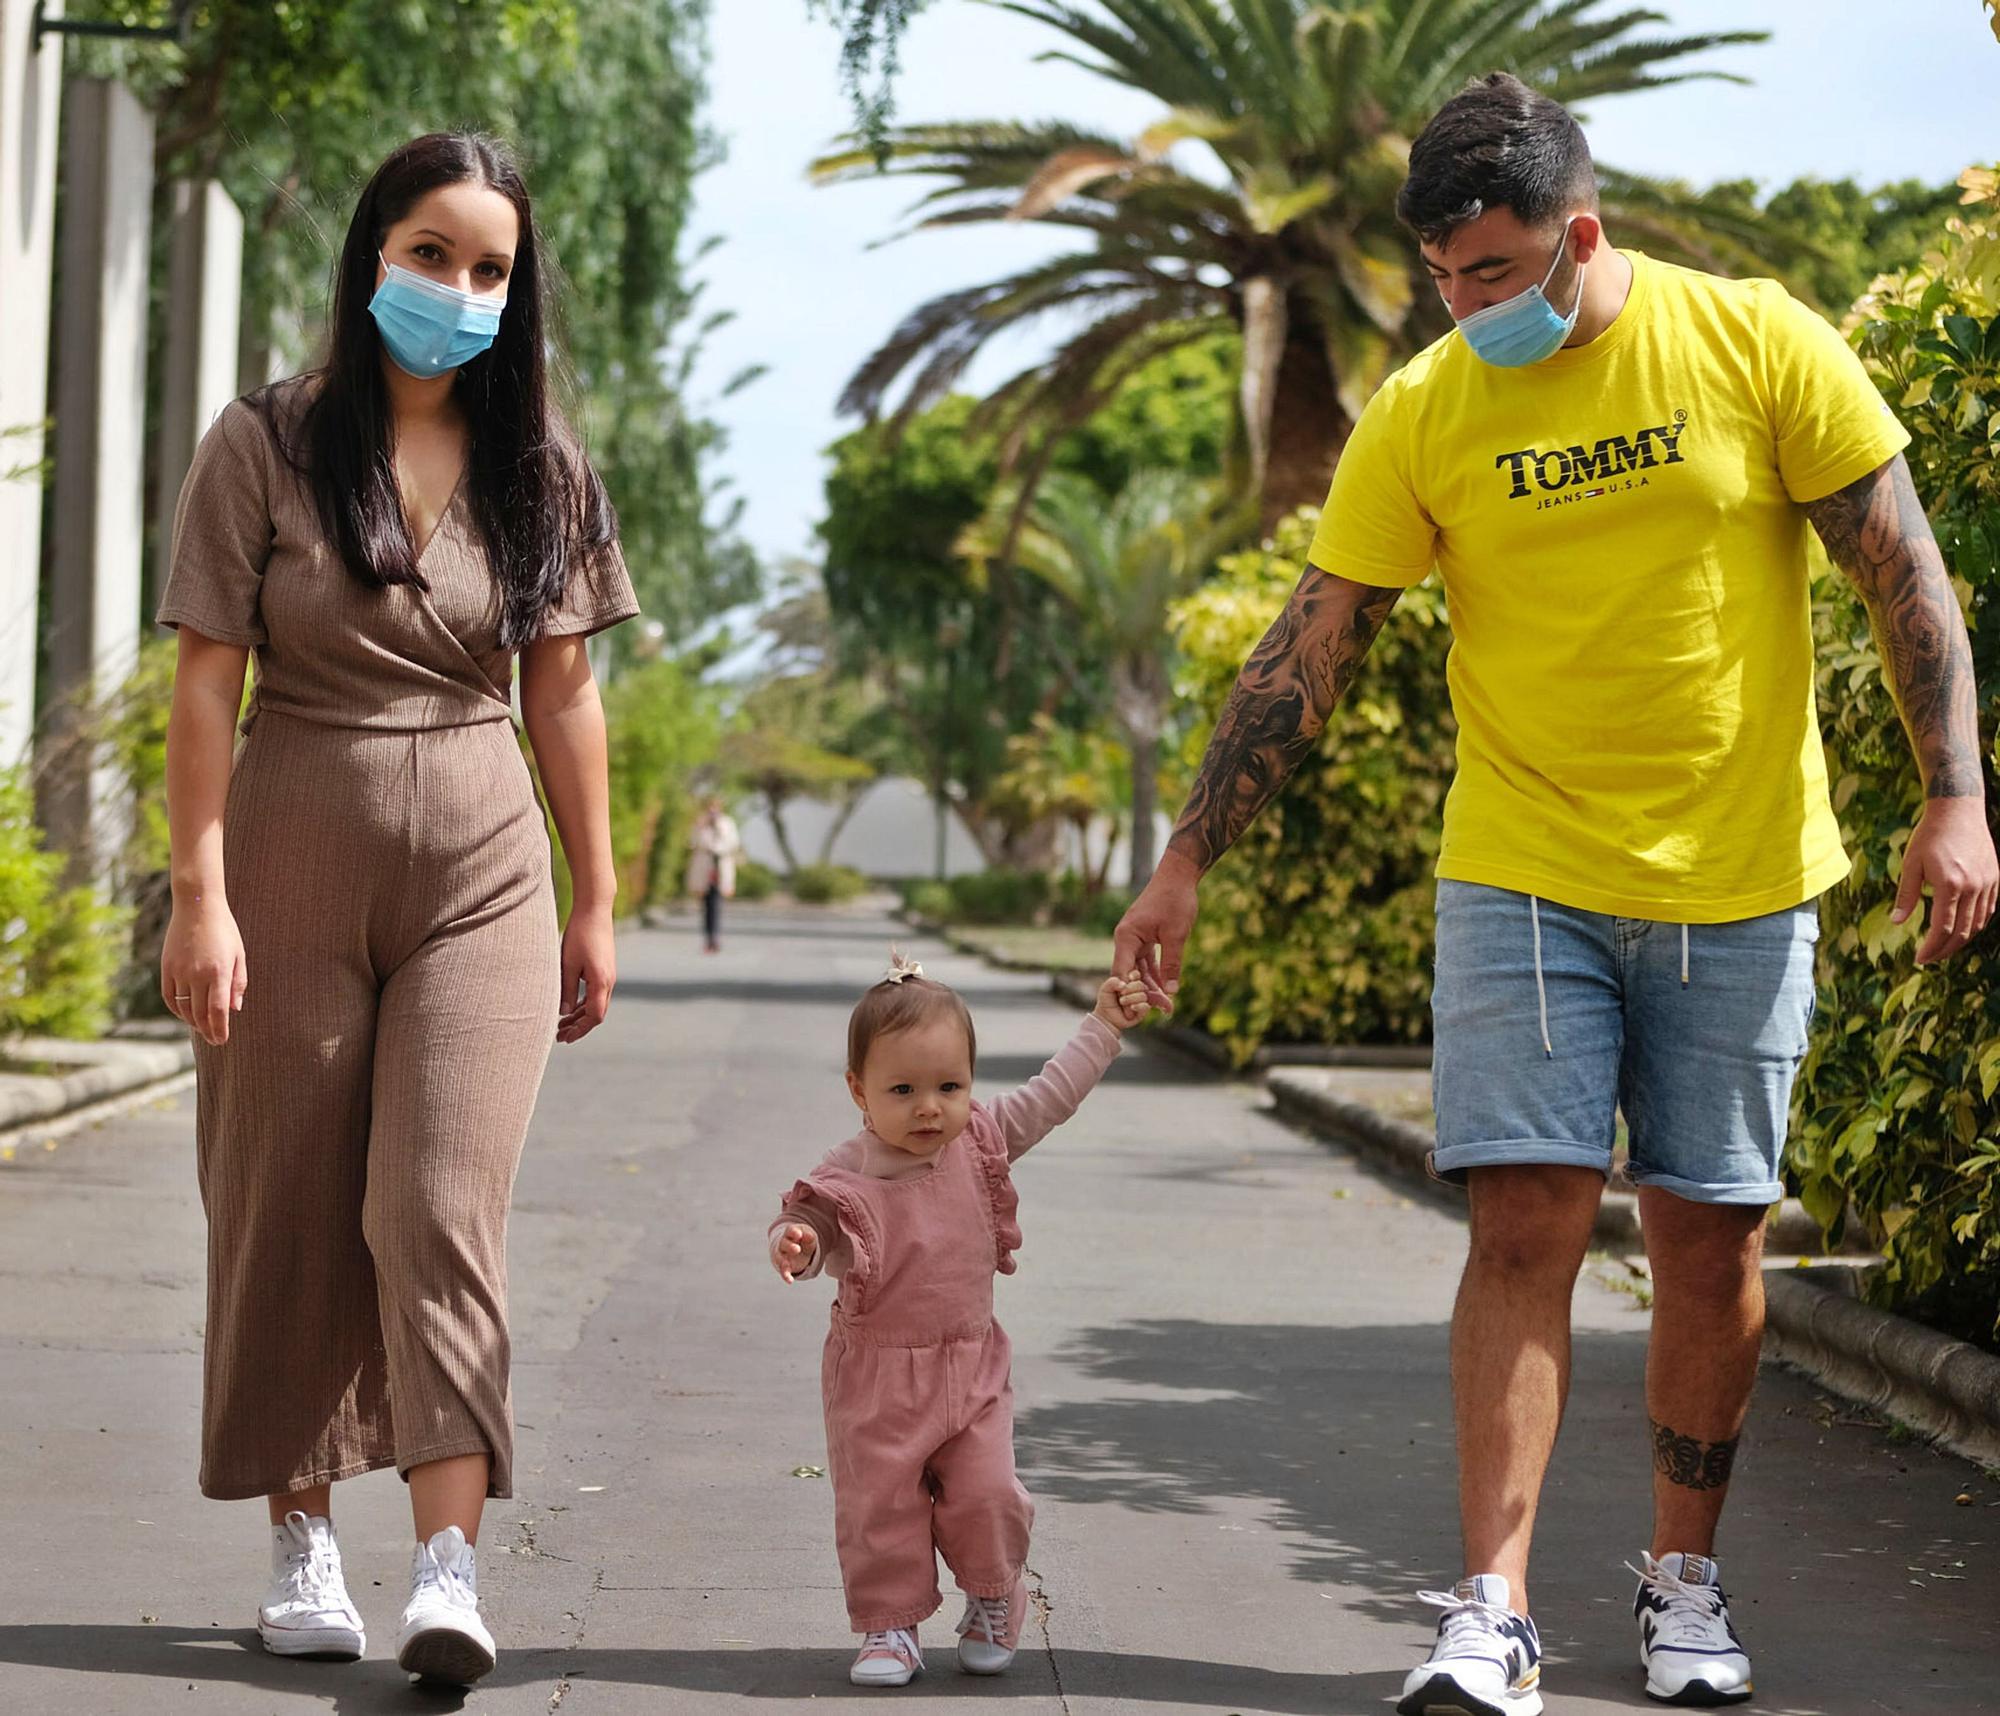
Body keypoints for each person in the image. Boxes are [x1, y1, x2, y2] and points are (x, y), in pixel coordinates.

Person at [1113, 72, 1996, 1716]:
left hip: (1740, 878)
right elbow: (1308, 649)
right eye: (1444, 280)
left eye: (1496, 273)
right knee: (1522, 1218)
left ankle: (1683, 1584)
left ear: (1581, 234)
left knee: (1707, 1236)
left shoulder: (1755, 342)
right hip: (1522, 869)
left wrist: (1956, 797)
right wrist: (1183, 861)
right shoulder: (1429, 408)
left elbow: (1901, 563)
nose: (1465, 309)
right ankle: (1491, 1605)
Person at [156, 131, 638, 1688]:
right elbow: (205, 679)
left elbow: (564, 692)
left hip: (483, 868)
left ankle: (447, 1566)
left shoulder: (542, 464)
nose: (458, 288)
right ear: (374, 254)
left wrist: (596, 897)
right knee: (283, 1199)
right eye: (432, 253)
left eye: (490, 268)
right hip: (291, 840)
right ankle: (303, 1543)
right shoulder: (265, 443)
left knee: (437, 1203)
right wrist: (200, 901)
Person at [770, 952, 1151, 1687]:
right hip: (876, 1377)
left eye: (950, 1086)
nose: (929, 1108)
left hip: (971, 1365)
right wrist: (797, 1242)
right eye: (903, 1089)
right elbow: (806, 1217)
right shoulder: (847, 1172)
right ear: (860, 1090)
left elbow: (1052, 1094)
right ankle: (890, 1627)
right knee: (878, 1505)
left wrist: (1103, 1024)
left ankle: (990, 1594)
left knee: (987, 1493)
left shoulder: (981, 1140)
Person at [686, 796, 742, 953]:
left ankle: (714, 937)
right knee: (706, 904)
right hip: (704, 867)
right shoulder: (700, 823)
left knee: (716, 903)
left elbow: (733, 843)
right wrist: (700, 827)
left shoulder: (727, 823)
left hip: (720, 867)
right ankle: (708, 937)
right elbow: (692, 843)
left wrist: (718, 828)